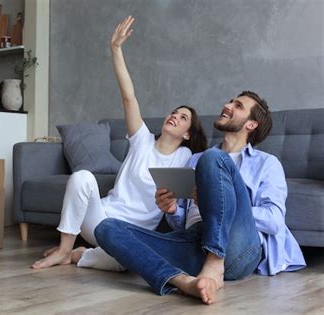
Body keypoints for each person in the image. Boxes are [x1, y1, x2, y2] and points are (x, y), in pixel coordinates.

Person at [95, 89, 307, 304]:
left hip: (237, 248)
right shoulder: (194, 159)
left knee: (213, 157)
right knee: (106, 228)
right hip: (193, 246)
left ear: (251, 124)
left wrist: (216, 202)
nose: (228, 105)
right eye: (231, 101)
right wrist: (172, 210)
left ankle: (215, 262)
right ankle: (182, 281)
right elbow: (183, 223)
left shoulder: (266, 163)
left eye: (238, 106)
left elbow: (274, 220)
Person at [31, 16, 207, 270]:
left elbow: (187, 201)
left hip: (132, 235)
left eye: (183, 118)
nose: (174, 117)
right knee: (82, 177)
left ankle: (79, 256)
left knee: (131, 262)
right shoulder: (142, 140)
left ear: (188, 134)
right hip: (101, 220)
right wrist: (115, 49)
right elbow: (129, 97)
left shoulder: (185, 157)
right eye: (174, 112)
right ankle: (64, 249)